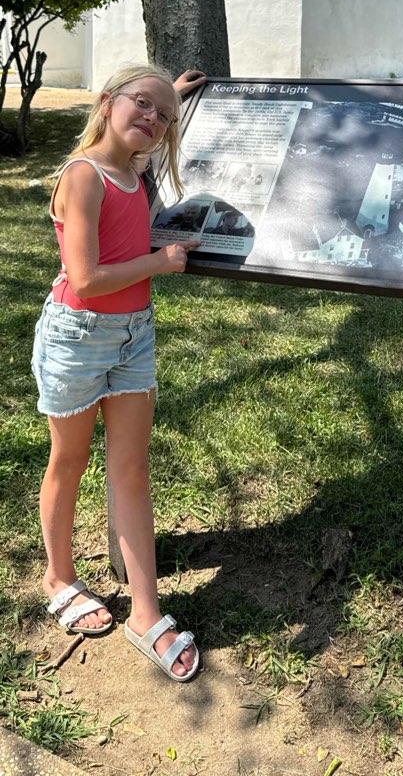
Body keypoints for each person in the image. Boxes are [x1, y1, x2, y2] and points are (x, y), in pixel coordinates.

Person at [32, 63, 205, 683]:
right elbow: (84, 279)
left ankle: (144, 612)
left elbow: (148, 121)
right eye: (142, 105)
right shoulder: (84, 178)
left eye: (163, 116)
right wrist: (159, 262)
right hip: (78, 339)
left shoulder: (135, 169)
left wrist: (172, 95)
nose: (153, 119)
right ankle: (59, 574)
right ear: (107, 102)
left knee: (131, 470)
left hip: (133, 339)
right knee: (69, 461)